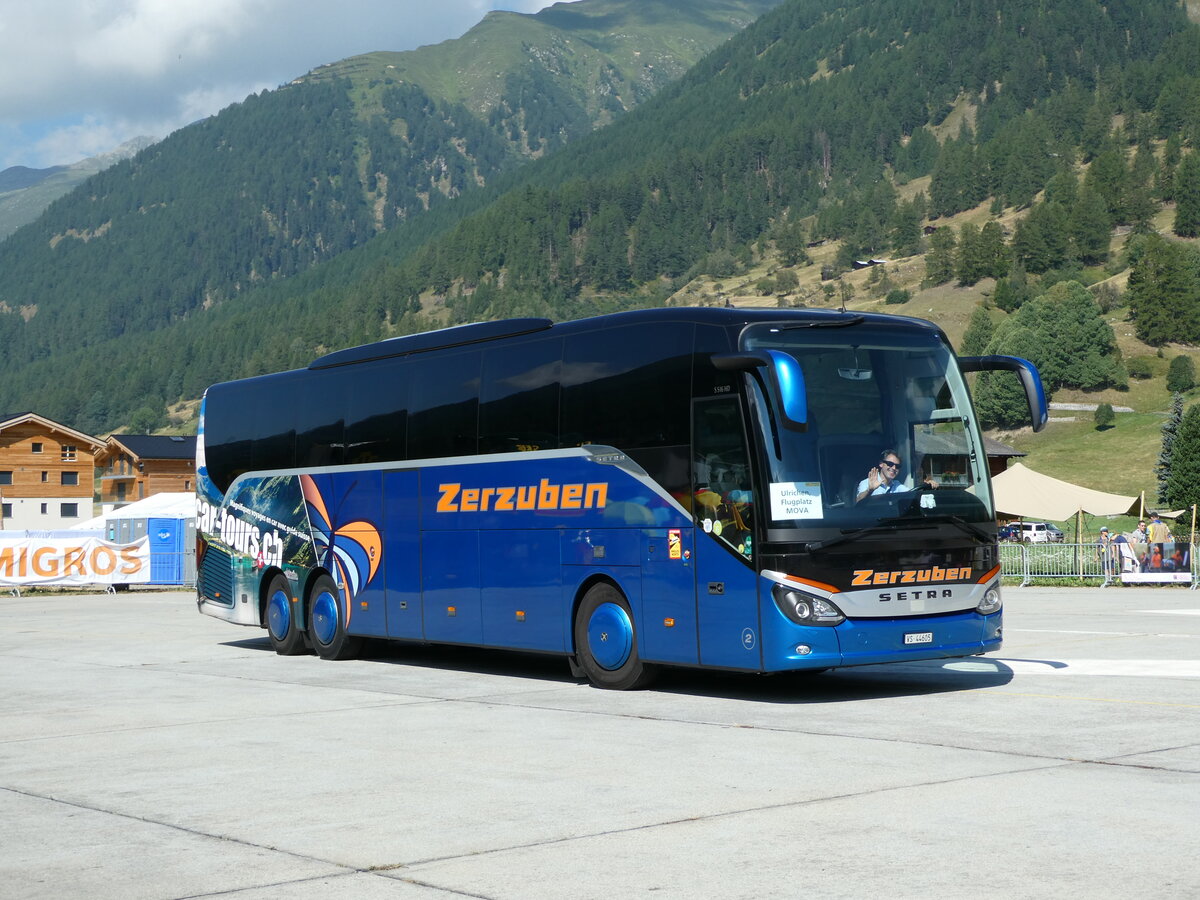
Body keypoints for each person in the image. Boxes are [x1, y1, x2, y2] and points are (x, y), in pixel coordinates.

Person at [855, 449, 937, 503]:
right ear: (881, 464)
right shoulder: (867, 483)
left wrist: (927, 486)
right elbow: (858, 502)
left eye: (897, 466)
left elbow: (912, 495)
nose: (894, 468)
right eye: (890, 464)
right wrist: (870, 490)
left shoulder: (897, 486)